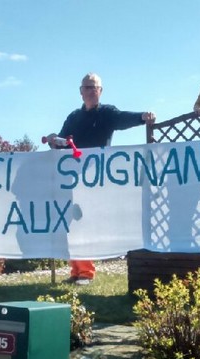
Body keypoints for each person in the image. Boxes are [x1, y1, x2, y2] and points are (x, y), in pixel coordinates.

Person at [47, 72, 156, 286]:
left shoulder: (107, 113)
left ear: (100, 91)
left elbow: (123, 118)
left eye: (94, 87)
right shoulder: (73, 117)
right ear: (80, 91)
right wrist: (52, 139)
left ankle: (86, 273)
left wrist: (143, 116)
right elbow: (62, 141)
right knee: (72, 222)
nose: (90, 91)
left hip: (96, 177)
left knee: (85, 221)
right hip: (73, 176)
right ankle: (76, 270)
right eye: (86, 87)